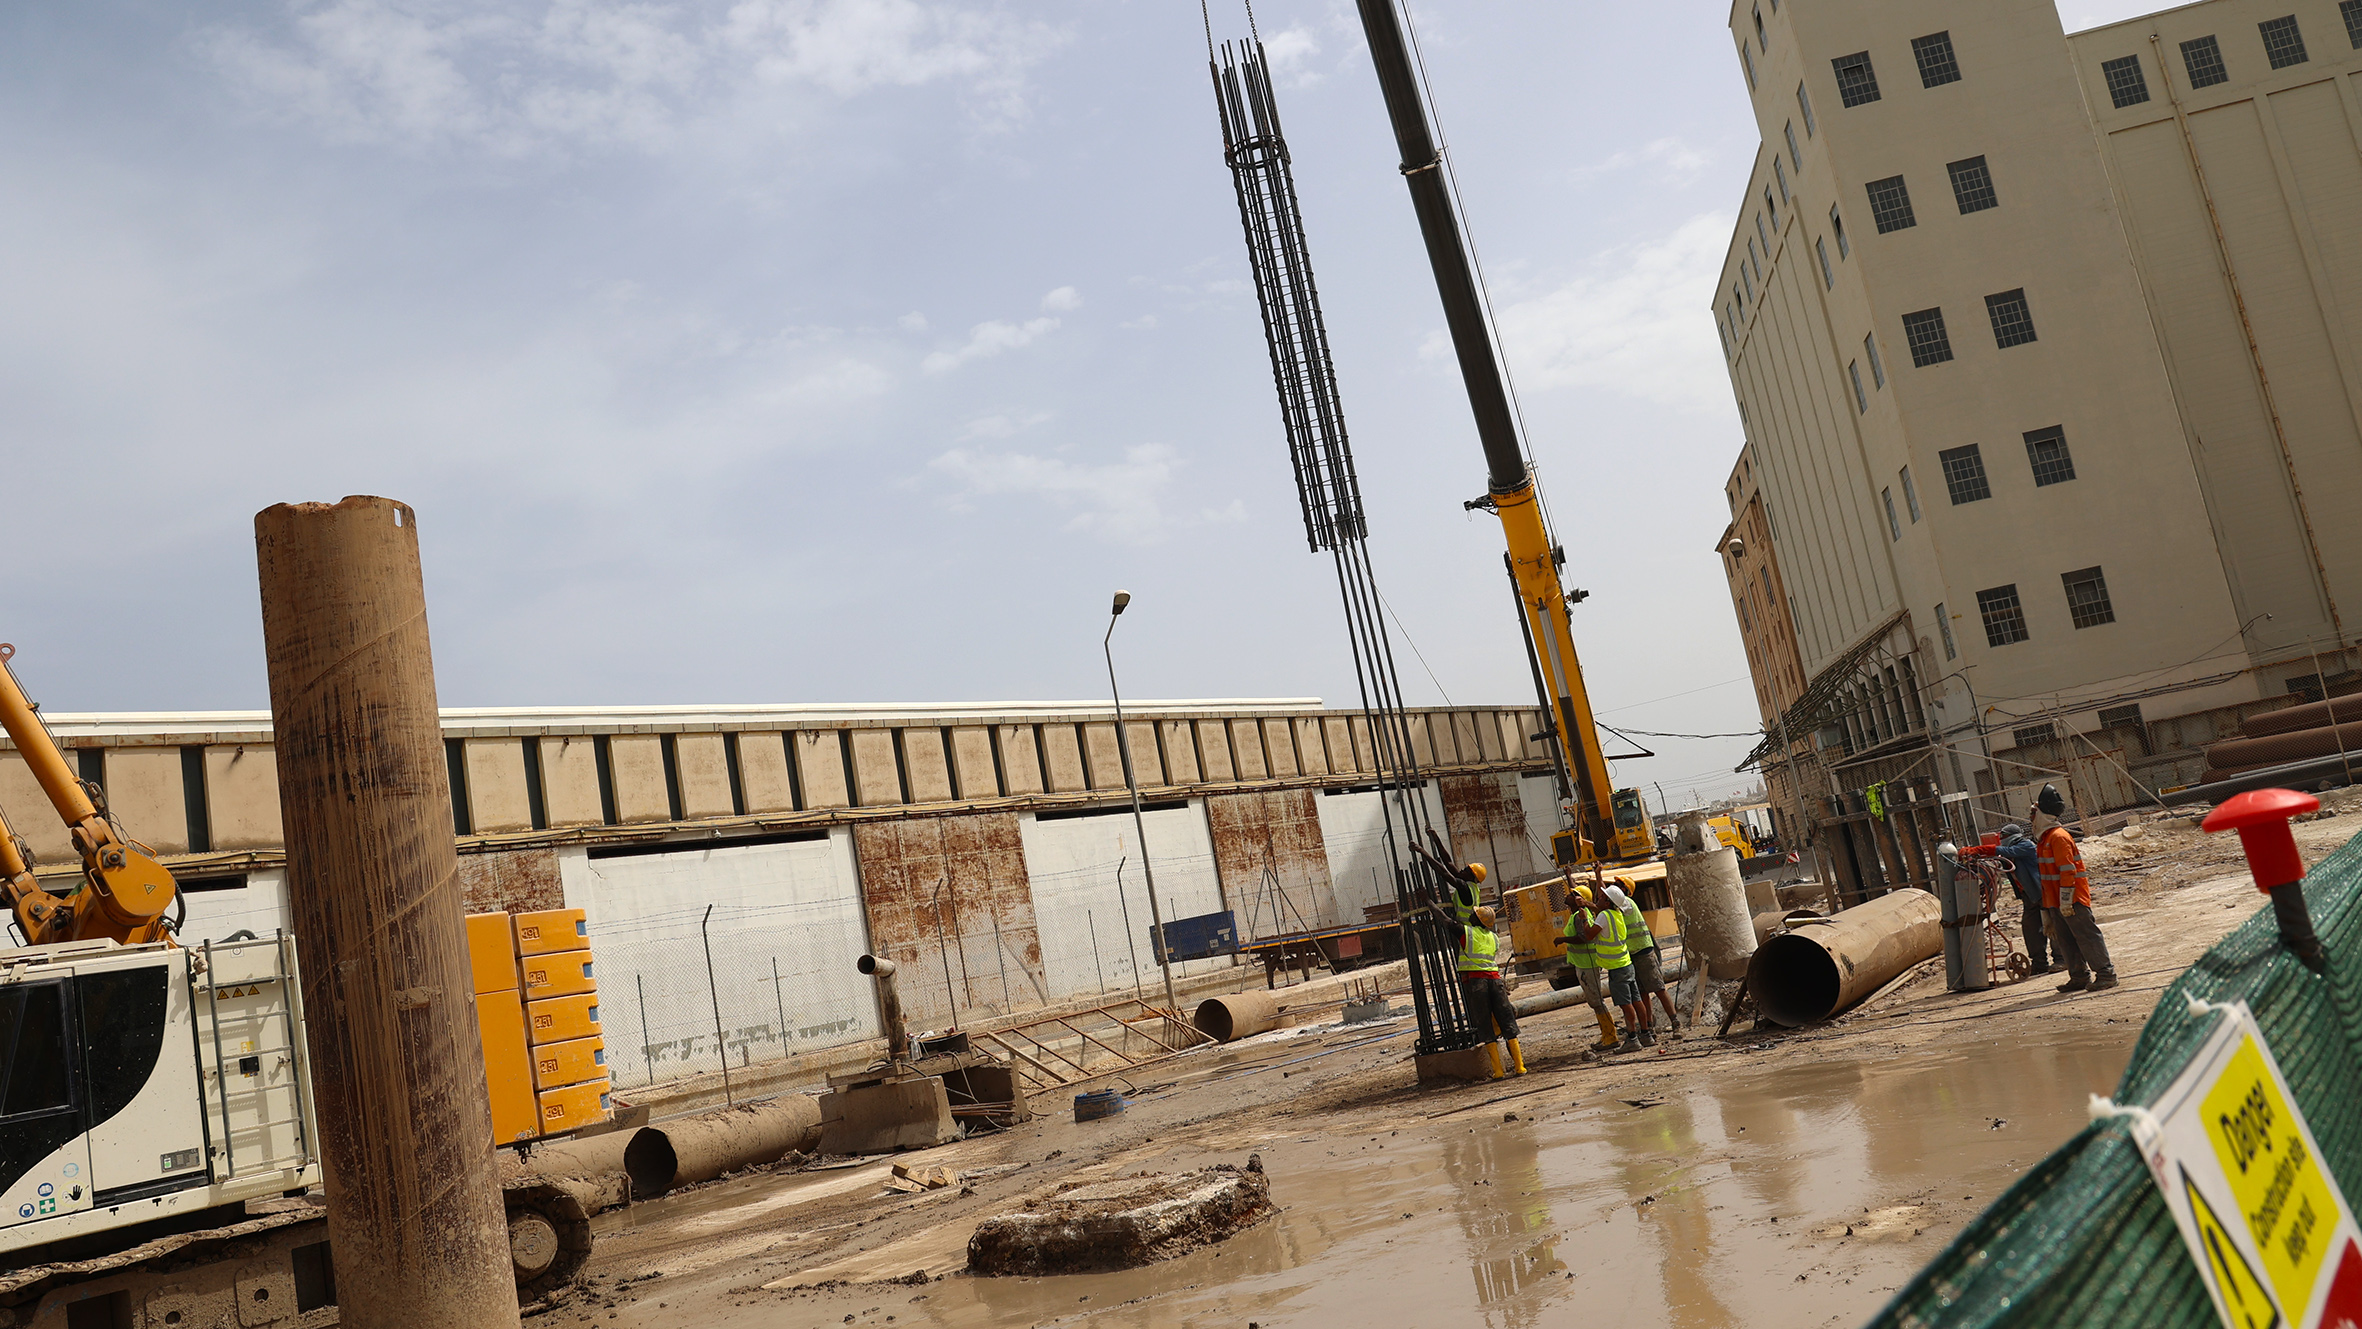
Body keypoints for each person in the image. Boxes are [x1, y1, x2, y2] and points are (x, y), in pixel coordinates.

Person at [2033, 784, 2116, 992]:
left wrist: (2066, 900)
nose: (2031, 818)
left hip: (2071, 899)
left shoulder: (2058, 837)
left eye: (2034, 813)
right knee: (2066, 940)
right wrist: (2049, 907)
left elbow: (2068, 871)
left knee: (2087, 936)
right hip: (2056, 900)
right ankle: (2079, 977)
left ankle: (2106, 974)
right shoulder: (2044, 840)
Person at [1571, 890, 1650, 1049]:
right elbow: (1599, 910)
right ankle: (1646, 1033)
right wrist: (1586, 904)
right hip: (1626, 963)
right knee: (1636, 1000)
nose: (1597, 899)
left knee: (1625, 1004)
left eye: (1600, 897)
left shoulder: (1603, 916)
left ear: (1607, 902)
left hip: (1616, 967)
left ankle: (1632, 1038)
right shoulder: (1617, 913)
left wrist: (1585, 920)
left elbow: (1589, 935)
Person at [1454, 904, 1525, 1079]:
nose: (1470, 915)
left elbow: (1447, 922)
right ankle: (1519, 1066)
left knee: (1485, 1024)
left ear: (1477, 919)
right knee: (1507, 1022)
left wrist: (1429, 903)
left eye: (1474, 914)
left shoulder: (1468, 933)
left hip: (1479, 983)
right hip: (1495, 981)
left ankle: (1498, 1071)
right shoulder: (1494, 937)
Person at [1601, 881, 1681, 1034]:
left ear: (1625, 890)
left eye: (1618, 884)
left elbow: (1606, 900)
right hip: (1632, 955)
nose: (1615, 885)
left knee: (1658, 988)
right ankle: (1649, 1024)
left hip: (1643, 952)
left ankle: (1675, 1021)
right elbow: (1605, 898)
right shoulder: (1616, 909)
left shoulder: (1627, 903)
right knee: (1642, 993)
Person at [1554, 886, 1621, 1052]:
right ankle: (1606, 1035)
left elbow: (1583, 938)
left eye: (1571, 894)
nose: (1567, 895)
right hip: (1584, 963)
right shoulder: (1580, 914)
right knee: (1595, 1001)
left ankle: (1610, 1036)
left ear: (1578, 899)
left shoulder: (1579, 916)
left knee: (1597, 1001)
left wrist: (1562, 939)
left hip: (1587, 963)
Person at [1994, 823, 2052, 974]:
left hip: (2041, 892)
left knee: (2052, 925)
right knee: (2031, 928)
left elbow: (2008, 850)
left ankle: (2060, 959)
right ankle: (2039, 963)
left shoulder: (2025, 845)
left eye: (2003, 836)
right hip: (2028, 896)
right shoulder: (2008, 854)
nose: (2001, 839)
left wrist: (1986, 849)